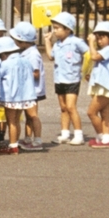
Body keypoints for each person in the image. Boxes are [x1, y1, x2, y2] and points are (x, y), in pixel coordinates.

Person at [45, 12, 89, 146]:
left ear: (68, 29)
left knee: (71, 107)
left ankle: (78, 134)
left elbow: (88, 54)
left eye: (57, 28)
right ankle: (64, 134)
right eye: (54, 27)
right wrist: (47, 41)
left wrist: (86, 70)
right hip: (59, 79)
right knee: (63, 107)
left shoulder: (76, 42)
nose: (55, 30)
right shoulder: (58, 44)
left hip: (72, 78)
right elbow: (51, 56)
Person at [0, 35, 36, 156]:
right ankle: (15, 143)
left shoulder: (5, 64)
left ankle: (13, 146)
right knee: (17, 121)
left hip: (10, 96)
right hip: (25, 96)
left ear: (4, 53)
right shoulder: (26, 61)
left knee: (11, 121)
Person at [86, 21, 109, 149]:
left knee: (91, 112)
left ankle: (101, 136)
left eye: (102, 38)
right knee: (105, 114)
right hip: (104, 85)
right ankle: (106, 139)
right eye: (98, 38)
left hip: (106, 87)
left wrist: (91, 43)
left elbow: (94, 57)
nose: (99, 41)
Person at [11, 22, 45, 151]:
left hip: (33, 91)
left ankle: (37, 140)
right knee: (27, 116)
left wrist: (21, 74)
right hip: (26, 90)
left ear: (23, 41)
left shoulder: (33, 55)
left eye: (17, 40)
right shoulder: (25, 52)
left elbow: (36, 74)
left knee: (32, 115)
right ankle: (27, 138)